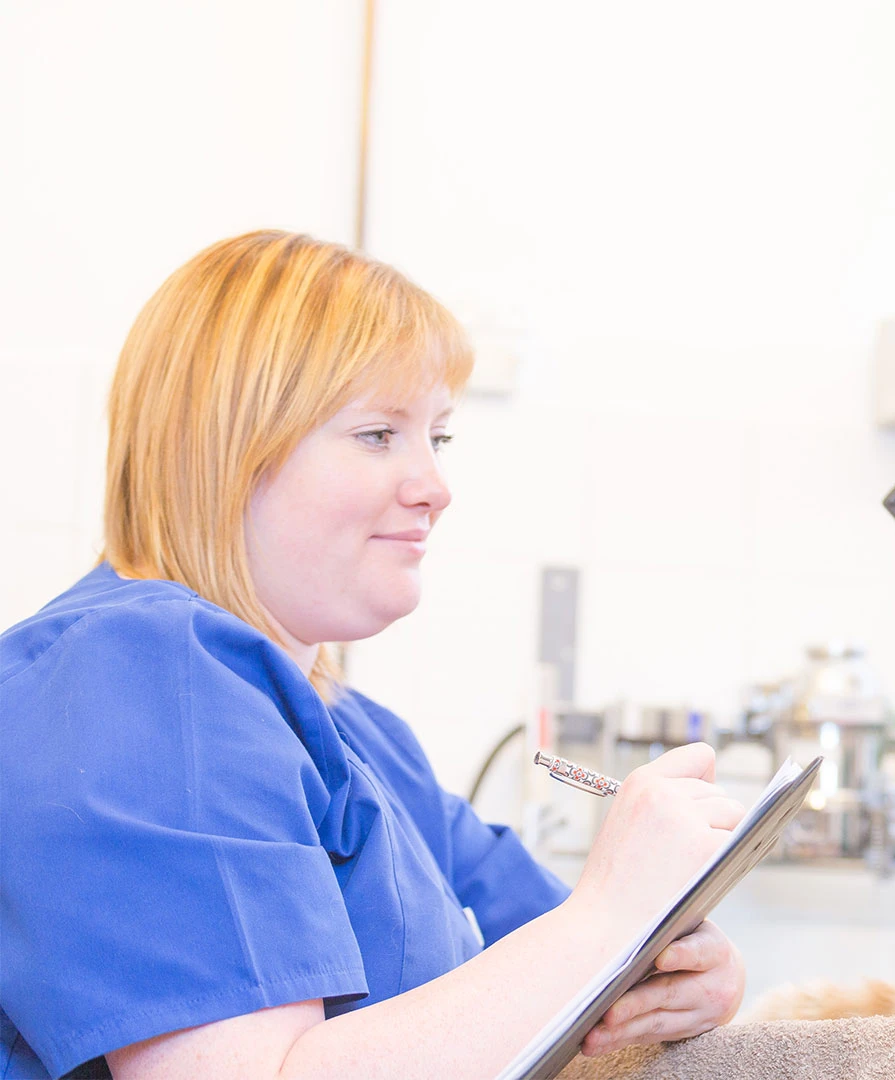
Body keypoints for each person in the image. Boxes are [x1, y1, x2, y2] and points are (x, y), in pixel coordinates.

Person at [0, 232, 748, 1078]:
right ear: (226, 450)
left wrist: (672, 968)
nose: (434, 485)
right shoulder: (134, 673)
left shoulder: (362, 737)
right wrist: (608, 919)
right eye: (376, 434)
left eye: (438, 437)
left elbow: (574, 971)